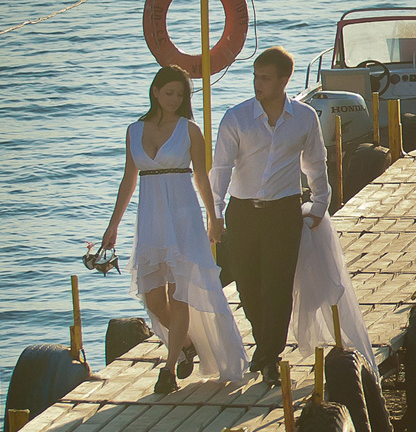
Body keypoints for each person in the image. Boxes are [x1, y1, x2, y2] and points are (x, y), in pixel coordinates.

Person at [98, 66, 247, 386]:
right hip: (150, 217)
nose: (175, 99)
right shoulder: (134, 130)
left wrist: (214, 216)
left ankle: (168, 369)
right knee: (153, 298)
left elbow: (202, 177)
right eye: (169, 93)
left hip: (183, 216)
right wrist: (112, 228)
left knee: (181, 294)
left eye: (180, 95)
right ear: (155, 91)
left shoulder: (190, 130)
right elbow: (128, 179)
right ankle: (188, 344)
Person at [211, 45, 329, 384]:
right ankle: (265, 350)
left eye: (265, 78)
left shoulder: (305, 117)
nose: (257, 84)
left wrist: (320, 203)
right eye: (255, 77)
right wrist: (215, 213)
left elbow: (314, 163)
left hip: (283, 212)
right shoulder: (236, 118)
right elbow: (220, 168)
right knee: (248, 286)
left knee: (277, 287)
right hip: (243, 213)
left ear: (283, 80)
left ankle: (269, 355)